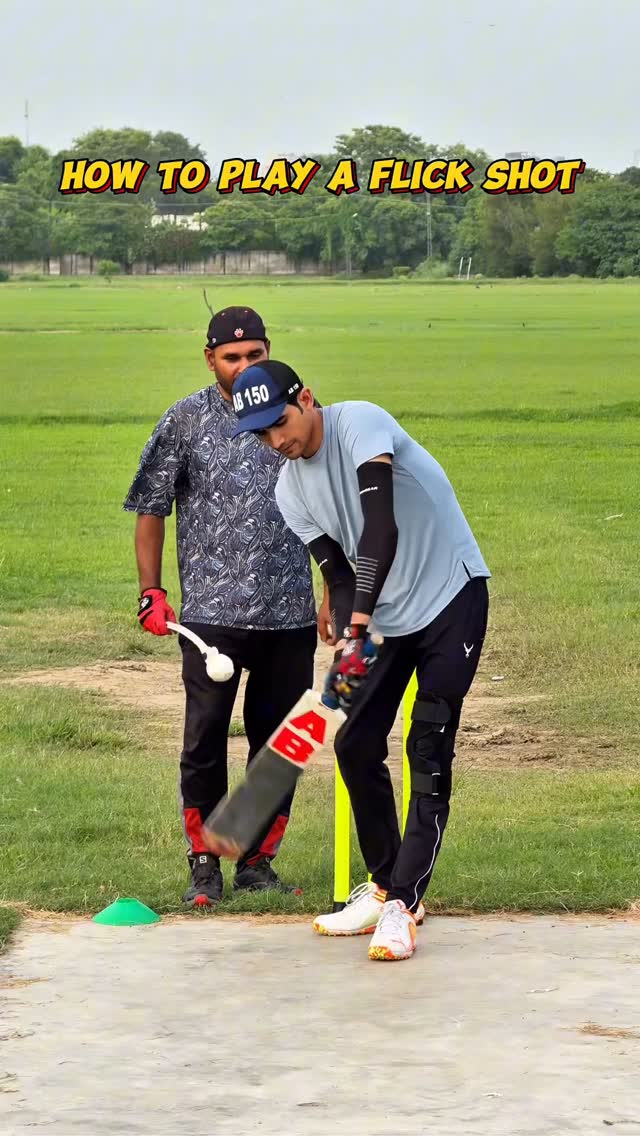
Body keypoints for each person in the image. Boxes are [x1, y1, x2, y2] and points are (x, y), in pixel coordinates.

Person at [229, 359, 490, 961]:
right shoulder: (289, 491)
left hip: (453, 598)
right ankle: (384, 884)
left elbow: (381, 529)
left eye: (280, 424)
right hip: (386, 619)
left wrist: (359, 622)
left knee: (426, 746)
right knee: (352, 742)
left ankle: (404, 903)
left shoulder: (362, 426)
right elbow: (340, 574)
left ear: (308, 399)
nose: (277, 442)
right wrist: (354, 626)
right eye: (262, 434)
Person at [123, 309, 326, 908]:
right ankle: (204, 862)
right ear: (209, 358)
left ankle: (258, 862)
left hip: (289, 613)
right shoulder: (186, 419)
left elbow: (333, 502)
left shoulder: (295, 414)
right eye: (231, 358)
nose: (243, 367)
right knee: (204, 739)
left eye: (254, 355)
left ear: (269, 353)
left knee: (281, 742)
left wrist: (332, 589)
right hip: (211, 617)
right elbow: (151, 507)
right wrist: (151, 591)